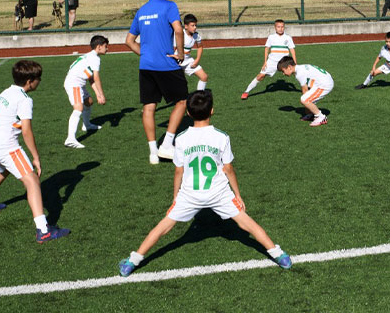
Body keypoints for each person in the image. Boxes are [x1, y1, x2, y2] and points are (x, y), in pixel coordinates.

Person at [117, 90, 292, 276]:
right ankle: (279, 255)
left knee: (164, 227)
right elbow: (228, 169)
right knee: (246, 223)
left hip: (190, 194)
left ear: (188, 113)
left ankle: (132, 262)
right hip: (219, 192)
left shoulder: (182, 138)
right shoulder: (221, 137)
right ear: (212, 111)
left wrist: (175, 196)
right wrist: (238, 195)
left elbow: (179, 171)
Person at [0, 60, 70, 243]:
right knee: (32, 180)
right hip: (5, 146)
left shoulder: (7, 91)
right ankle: (43, 230)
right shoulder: (25, 99)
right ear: (29, 81)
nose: (39, 81)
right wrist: (36, 157)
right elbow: (26, 131)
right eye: (38, 78)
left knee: (2, 170)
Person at [126, 0, 187, 164]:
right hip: (166, 65)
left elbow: (129, 41)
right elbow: (178, 29)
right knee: (182, 101)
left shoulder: (142, 10)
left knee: (149, 107)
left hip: (146, 66)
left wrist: (144, 54)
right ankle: (167, 144)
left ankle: (153, 152)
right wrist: (181, 53)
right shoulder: (170, 6)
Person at [63, 35, 109, 149]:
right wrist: (102, 95)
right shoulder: (95, 59)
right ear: (99, 47)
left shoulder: (89, 56)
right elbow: (96, 78)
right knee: (78, 108)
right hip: (74, 84)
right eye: (105, 46)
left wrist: (98, 94)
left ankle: (87, 125)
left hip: (78, 83)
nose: (107, 49)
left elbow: (91, 78)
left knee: (88, 102)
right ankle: (70, 139)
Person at [241, 20, 297, 100]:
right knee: (261, 76)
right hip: (272, 62)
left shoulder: (288, 38)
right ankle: (246, 92)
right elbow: (266, 49)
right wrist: (265, 62)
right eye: (278, 27)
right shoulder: (271, 37)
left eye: (282, 27)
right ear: (275, 28)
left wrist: (295, 63)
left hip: (284, 62)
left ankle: (310, 88)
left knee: (297, 73)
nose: (280, 29)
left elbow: (292, 50)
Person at [278, 56, 333, 127]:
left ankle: (320, 117)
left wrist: (306, 102)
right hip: (322, 80)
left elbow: (305, 90)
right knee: (307, 99)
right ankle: (310, 114)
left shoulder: (299, 73)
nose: (283, 73)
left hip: (325, 84)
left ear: (289, 67)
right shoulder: (300, 67)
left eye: (283, 71)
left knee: (304, 99)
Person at [181, 14, 209, 91]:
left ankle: (199, 97)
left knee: (204, 77)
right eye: (192, 25)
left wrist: (197, 60)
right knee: (181, 84)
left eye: (195, 25)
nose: (195, 27)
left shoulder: (196, 35)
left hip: (188, 61)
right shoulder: (179, 34)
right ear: (186, 26)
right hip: (177, 63)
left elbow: (200, 47)